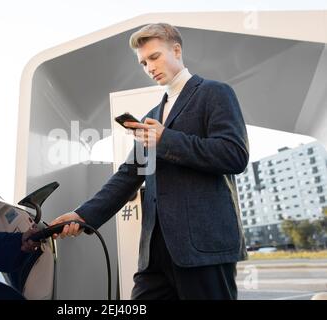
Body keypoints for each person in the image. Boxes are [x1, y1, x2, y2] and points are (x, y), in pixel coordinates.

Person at [50, 23, 249, 300]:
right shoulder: (150, 117)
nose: (149, 67)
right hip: (154, 254)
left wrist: (166, 139)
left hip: (203, 249)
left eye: (154, 57)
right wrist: (83, 215)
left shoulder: (215, 93)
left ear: (176, 50)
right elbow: (128, 175)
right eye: (143, 62)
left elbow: (234, 154)